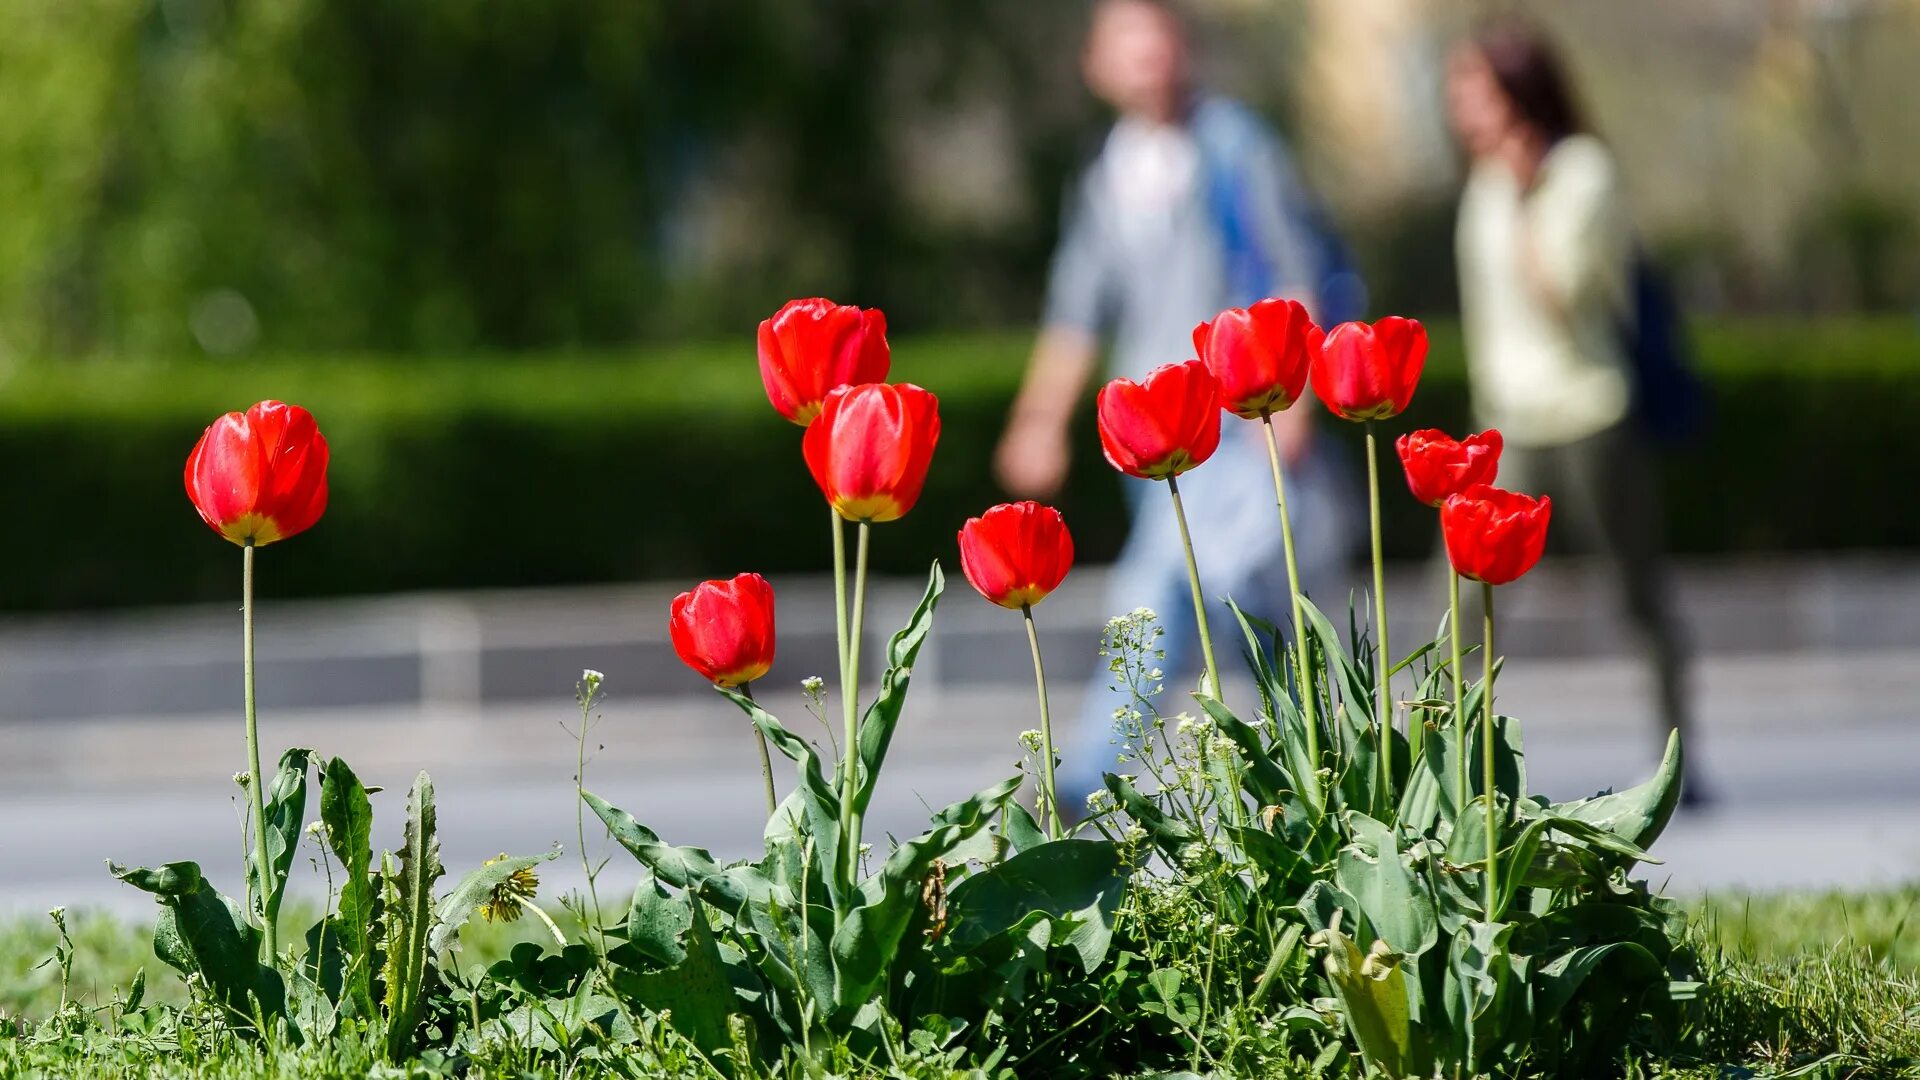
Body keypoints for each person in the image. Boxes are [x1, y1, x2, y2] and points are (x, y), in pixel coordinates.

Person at [995, 0, 1358, 808]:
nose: (1146, 59)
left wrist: (1292, 409)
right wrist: (1039, 419)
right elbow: (1077, 309)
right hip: (1147, 438)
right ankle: (1325, 768)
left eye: (1157, 40)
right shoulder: (1104, 173)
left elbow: (1294, 271)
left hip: (1233, 429)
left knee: (1153, 595)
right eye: (1126, 44)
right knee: (1244, 622)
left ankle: (1086, 784)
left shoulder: (1235, 148)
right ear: (1097, 65)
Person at [1445, 19, 1698, 798]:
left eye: (1475, 90)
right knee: (1461, 607)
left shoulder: (1582, 174)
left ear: (1519, 91)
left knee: (1637, 591)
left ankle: (1676, 762)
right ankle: (1453, 769)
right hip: (1509, 423)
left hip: (1590, 412)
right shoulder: (1482, 181)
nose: (1460, 108)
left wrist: (1526, 200)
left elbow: (1560, 296)